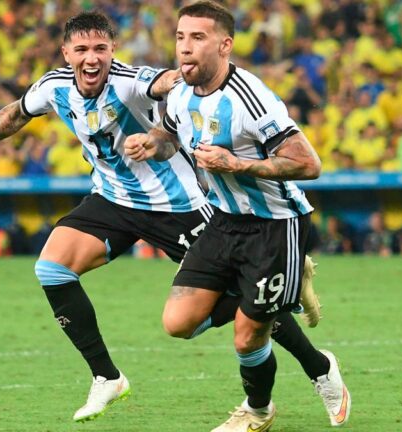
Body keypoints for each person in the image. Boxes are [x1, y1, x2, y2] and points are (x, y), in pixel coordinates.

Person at [0, 12, 210, 422]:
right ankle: (107, 377)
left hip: (177, 203)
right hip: (114, 200)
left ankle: (308, 356)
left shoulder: (128, 80)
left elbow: (163, 81)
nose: (91, 57)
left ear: (112, 50)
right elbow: (17, 112)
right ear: (66, 53)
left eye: (100, 48)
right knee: (52, 269)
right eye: (81, 49)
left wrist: (187, 76)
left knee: (241, 293)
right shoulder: (54, 86)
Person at [124, 2, 350, 430]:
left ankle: (258, 411)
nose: (184, 48)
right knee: (178, 323)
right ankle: (290, 295)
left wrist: (238, 164)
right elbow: (170, 135)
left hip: (275, 225)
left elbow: (309, 164)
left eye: (198, 38)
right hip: (224, 219)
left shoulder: (250, 98)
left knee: (248, 335)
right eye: (180, 37)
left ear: (224, 45)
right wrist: (151, 143)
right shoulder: (180, 91)